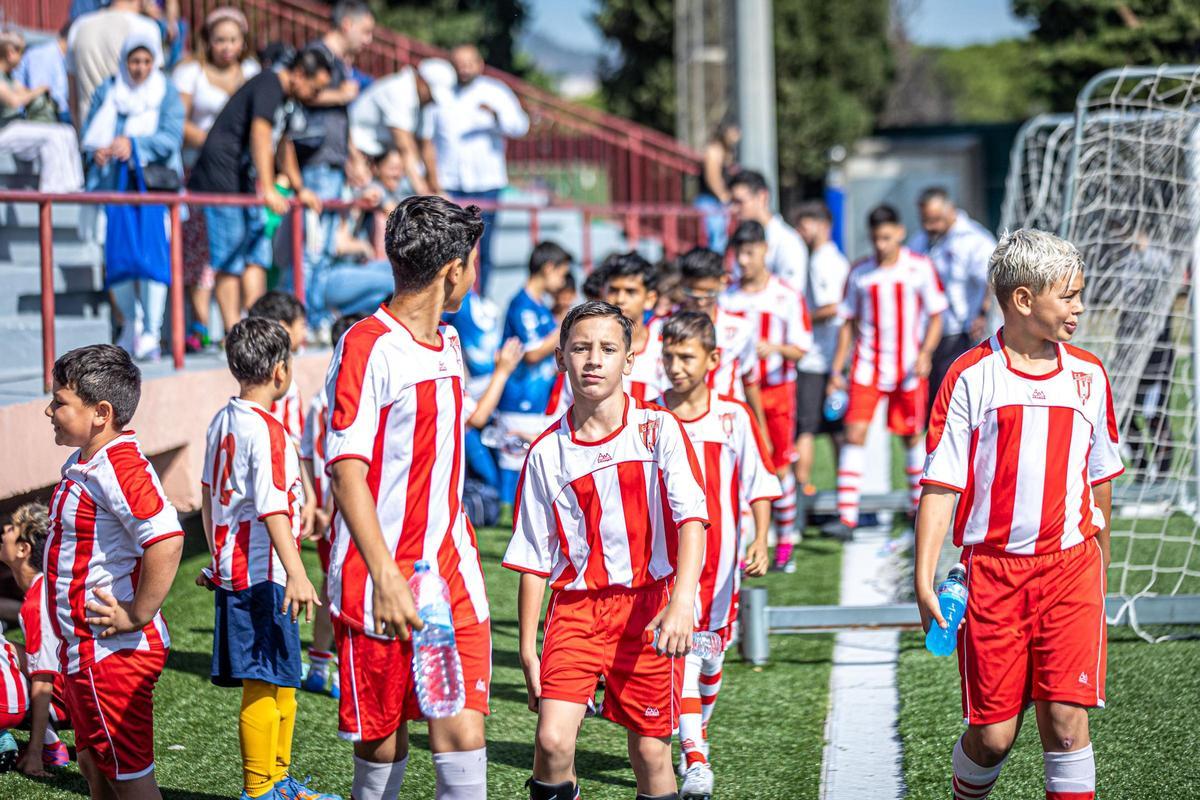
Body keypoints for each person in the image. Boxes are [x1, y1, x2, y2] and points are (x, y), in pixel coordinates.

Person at [915, 229, 1122, 800]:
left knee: (1065, 723)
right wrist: (923, 576)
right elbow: (939, 485)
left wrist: (1099, 570)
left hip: (1070, 571)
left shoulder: (1088, 376)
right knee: (993, 736)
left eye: (1081, 293)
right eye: (1069, 295)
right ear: (1024, 300)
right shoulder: (970, 376)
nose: (1080, 307)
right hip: (993, 576)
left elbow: (1100, 481)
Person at [503, 301, 709, 800]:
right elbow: (533, 557)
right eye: (580, 348)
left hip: (647, 608)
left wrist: (682, 601)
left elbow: (692, 520)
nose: (593, 360)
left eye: (607, 349)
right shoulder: (546, 453)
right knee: (552, 741)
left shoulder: (659, 430)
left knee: (652, 753)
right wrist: (528, 650)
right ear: (560, 359)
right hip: (575, 611)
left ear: (630, 360)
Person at [325, 196, 491, 800]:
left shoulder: (449, 343)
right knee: (383, 738)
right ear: (453, 271)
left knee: (463, 728)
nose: (473, 278)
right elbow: (347, 470)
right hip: (380, 581)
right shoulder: (366, 346)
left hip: (454, 574)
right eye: (470, 266)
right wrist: (385, 576)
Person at [198, 317, 336, 800]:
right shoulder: (269, 431)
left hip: (241, 570)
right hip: (264, 575)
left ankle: (279, 780)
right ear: (280, 371)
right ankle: (260, 789)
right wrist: (297, 574)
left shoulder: (222, 419)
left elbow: (209, 495)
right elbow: (273, 506)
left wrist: (216, 557)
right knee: (264, 681)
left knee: (281, 679)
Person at [44, 344, 184, 797]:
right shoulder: (88, 460)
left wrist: (137, 614)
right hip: (84, 651)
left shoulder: (119, 463)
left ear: (101, 412)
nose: (49, 409)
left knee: (130, 779)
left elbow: (166, 536)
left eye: (60, 401)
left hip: (112, 655)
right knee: (93, 764)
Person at [656, 311, 777, 797]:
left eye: (686, 356)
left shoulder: (733, 417)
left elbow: (760, 485)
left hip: (723, 567)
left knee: (709, 656)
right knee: (682, 657)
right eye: (668, 356)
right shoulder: (650, 415)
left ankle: (695, 731)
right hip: (670, 567)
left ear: (713, 359)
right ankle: (695, 757)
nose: (675, 366)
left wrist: (760, 538)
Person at [188, 46, 330, 335]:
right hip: (221, 176)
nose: (315, 96)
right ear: (299, 74)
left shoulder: (289, 102)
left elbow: (283, 145)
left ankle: (257, 328)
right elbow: (261, 134)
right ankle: (233, 334)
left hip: (244, 179)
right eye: (314, 89)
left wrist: (300, 188)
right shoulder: (269, 83)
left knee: (256, 252)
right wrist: (268, 188)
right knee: (230, 254)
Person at [828, 205, 946, 539]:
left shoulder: (920, 268)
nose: (881, 244)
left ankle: (915, 509)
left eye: (886, 237)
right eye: (876, 238)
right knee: (854, 434)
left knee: (911, 437)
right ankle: (846, 517)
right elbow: (847, 324)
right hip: (867, 366)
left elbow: (937, 316)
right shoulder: (859, 273)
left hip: (908, 368)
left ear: (900, 233)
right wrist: (838, 369)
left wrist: (925, 353)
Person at [81, 30, 184, 363]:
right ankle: (130, 323)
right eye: (134, 61)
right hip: (115, 186)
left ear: (154, 62)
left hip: (152, 188)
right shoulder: (109, 90)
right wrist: (99, 150)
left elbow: (171, 137)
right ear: (125, 62)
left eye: (146, 61)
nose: (139, 68)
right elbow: (91, 132)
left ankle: (152, 330)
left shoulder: (165, 93)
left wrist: (136, 145)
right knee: (118, 257)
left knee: (152, 259)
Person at [722, 220, 812, 571]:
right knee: (737, 464)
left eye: (749, 253)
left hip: (777, 391)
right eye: (738, 254)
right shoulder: (728, 296)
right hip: (736, 392)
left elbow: (801, 349)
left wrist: (774, 347)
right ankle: (742, 544)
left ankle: (785, 540)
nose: (743, 261)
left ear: (764, 251)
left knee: (778, 464)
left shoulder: (786, 295)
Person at [172, 6, 260, 351]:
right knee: (204, 254)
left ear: (243, 42)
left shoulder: (251, 72)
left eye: (233, 40)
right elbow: (180, 122)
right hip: (201, 173)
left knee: (242, 251)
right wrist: (217, 144)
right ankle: (203, 325)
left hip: (240, 175)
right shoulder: (190, 72)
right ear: (207, 41)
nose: (226, 47)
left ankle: (236, 324)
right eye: (219, 40)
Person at [293, 0, 375, 334]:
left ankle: (315, 314)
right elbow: (302, 94)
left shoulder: (339, 63)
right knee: (313, 249)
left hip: (333, 164)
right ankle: (308, 317)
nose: (368, 40)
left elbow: (339, 116)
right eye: (366, 31)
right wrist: (340, 94)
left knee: (325, 248)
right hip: (314, 165)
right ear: (347, 25)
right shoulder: (317, 55)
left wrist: (352, 157)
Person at [298, 312, 365, 700]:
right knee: (341, 584)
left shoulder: (342, 394)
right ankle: (336, 667)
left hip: (350, 504)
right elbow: (308, 454)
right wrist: (315, 502)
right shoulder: (325, 399)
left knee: (337, 583)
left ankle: (325, 662)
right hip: (337, 508)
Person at [430, 43, 530, 294]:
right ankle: (449, 303)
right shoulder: (441, 95)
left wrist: (496, 116)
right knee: (449, 248)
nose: (464, 68)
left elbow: (520, 126)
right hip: (450, 183)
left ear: (480, 64)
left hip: (486, 185)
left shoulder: (495, 92)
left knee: (483, 249)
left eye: (469, 62)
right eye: (458, 63)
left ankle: (479, 300)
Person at [495, 241, 573, 515]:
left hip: (539, 401)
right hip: (519, 400)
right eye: (562, 273)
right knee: (517, 473)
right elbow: (530, 353)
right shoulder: (522, 304)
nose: (563, 281)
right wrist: (565, 325)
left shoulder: (539, 307)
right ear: (548, 268)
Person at [909, 187, 997, 413]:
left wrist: (982, 314)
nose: (930, 226)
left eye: (936, 220)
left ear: (951, 211)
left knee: (952, 405)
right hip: (926, 334)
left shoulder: (974, 240)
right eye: (925, 220)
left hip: (960, 334)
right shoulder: (921, 241)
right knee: (926, 408)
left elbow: (993, 280)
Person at [0, 503, 71, 776]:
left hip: (69, 700)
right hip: (73, 692)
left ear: (23, 549)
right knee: (10, 648)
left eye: (12, 528)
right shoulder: (44, 586)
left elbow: (44, 679)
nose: (4, 530)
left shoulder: (37, 601)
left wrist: (33, 753)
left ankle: (44, 744)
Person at [792, 201, 850, 531]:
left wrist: (798, 318)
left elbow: (834, 309)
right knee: (833, 432)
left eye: (804, 224)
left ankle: (801, 505)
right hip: (828, 359)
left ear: (820, 223)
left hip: (819, 360)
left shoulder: (825, 260)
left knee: (807, 430)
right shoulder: (830, 258)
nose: (801, 232)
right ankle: (843, 502)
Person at [676, 246, 766, 428]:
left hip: (727, 425)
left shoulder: (741, 329)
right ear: (683, 283)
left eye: (708, 293)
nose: (701, 302)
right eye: (693, 293)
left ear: (722, 282)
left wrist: (760, 428)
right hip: (680, 422)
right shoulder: (663, 326)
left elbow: (749, 380)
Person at [0, 29, 85, 193]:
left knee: (66, 132)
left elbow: (23, 92)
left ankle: (73, 185)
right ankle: (50, 190)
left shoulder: (10, 77)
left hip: (13, 127)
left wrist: (40, 93)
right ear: (10, 52)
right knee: (51, 137)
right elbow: (15, 100)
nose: (23, 57)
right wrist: (38, 91)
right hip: (4, 131)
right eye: (21, 52)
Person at [67, 0, 162, 125]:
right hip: (130, 135)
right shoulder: (147, 28)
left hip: (89, 130)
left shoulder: (79, 26)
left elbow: (73, 96)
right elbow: (155, 91)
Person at [349, 62, 436, 194]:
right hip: (357, 157)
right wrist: (424, 193)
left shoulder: (420, 96)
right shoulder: (399, 90)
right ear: (423, 81)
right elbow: (405, 147)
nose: (433, 99)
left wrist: (435, 188)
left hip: (375, 160)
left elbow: (426, 145)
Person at [728, 170, 808, 291]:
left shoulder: (788, 242)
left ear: (762, 197)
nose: (733, 209)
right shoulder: (739, 237)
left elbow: (791, 295)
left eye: (739, 202)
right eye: (732, 202)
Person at [602, 251, 667, 401]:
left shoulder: (666, 350)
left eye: (630, 292)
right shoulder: (584, 349)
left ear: (650, 299)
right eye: (613, 290)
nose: (620, 299)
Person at [695, 119, 740, 253]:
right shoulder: (714, 150)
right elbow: (712, 178)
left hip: (717, 203)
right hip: (709, 202)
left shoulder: (727, 152)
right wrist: (725, 198)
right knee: (714, 241)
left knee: (720, 240)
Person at [14, 23, 71, 123]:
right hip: (42, 120)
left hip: (56, 116)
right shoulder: (44, 56)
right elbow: (40, 103)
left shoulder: (60, 56)